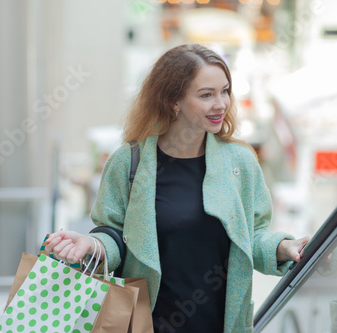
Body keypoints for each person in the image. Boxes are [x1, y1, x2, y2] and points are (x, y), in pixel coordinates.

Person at [45, 44, 309, 333]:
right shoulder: (129, 162)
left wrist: (286, 247)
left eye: (225, 91)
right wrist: (92, 246)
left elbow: (253, 237)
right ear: (174, 101)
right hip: (146, 324)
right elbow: (115, 234)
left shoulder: (240, 162)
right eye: (206, 95)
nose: (220, 104)